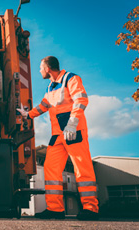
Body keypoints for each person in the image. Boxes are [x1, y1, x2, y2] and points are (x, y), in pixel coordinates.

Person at [17, 56, 99, 220]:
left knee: (82, 169)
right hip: (58, 135)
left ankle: (90, 208)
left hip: (73, 131)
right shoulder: (50, 88)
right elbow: (44, 106)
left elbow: (81, 99)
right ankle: (55, 209)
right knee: (50, 168)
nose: (39, 71)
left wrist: (73, 123)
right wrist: (28, 114)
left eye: (41, 68)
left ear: (47, 68)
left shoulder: (71, 78)